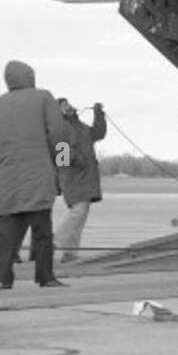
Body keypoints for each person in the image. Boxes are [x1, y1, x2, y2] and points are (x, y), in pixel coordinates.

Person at [0, 60, 72, 289]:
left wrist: (0, 162)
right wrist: (61, 164)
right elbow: (59, 133)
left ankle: (3, 278)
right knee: (42, 230)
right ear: (30, 76)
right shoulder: (43, 98)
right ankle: (45, 276)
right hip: (38, 173)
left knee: (6, 231)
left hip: (8, 176)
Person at [55, 99, 106, 264]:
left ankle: (70, 253)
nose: (68, 107)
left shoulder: (82, 127)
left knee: (81, 214)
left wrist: (98, 114)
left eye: (68, 104)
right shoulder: (59, 128)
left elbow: (98, 133)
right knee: (78, 212)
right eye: (63, 106)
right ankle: (54, 240)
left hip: (86, 176)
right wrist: (80, 160)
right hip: (72, 176)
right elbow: (62, 158)